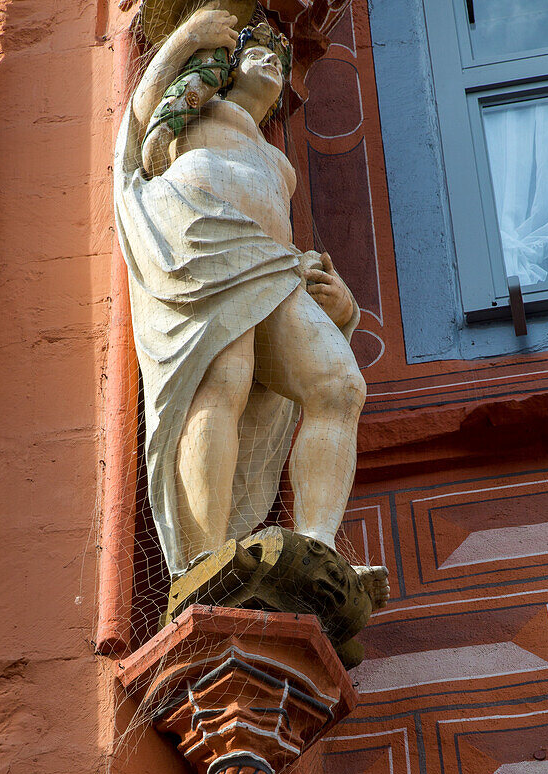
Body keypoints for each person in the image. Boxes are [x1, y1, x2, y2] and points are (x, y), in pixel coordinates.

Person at [114, 12, 366, 579]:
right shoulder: (196, 107)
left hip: (271, 266)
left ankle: (319, 543)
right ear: (226, 68)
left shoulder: (280, 163)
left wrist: (337, 303)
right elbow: (137, 123)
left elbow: (285, 234)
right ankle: (203, 564)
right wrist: (187, 39)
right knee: (223, 376)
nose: (273, 60)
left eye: (281, 54)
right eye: (258, 50)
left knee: (339, 385)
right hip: (202, 244)